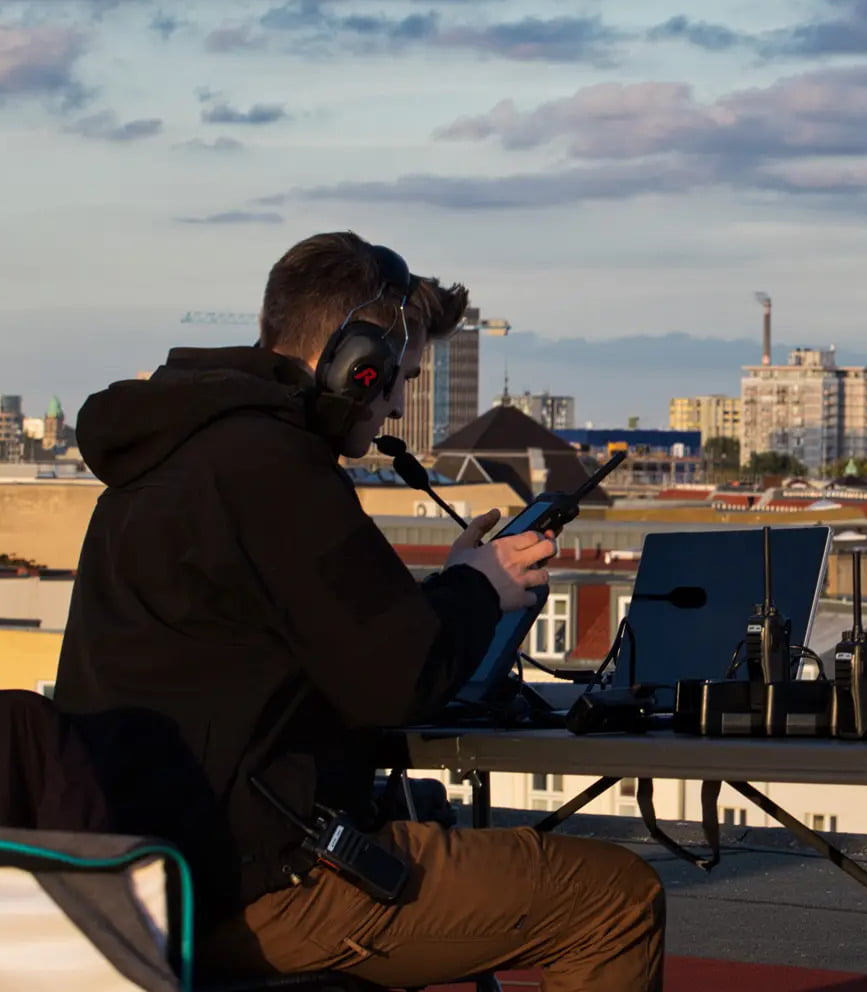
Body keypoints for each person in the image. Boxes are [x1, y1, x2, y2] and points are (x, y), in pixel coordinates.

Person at [53, 231, 665, 991]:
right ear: (354, 365)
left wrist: (454, 586)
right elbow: (394, 684)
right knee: (614, 899)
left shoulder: (181, 450)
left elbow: (311, 637)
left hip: (146, 873)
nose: (399, 405)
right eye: (399, 380)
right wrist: (482, 587)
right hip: (252, 887)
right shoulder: (272, 465)